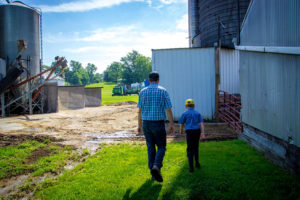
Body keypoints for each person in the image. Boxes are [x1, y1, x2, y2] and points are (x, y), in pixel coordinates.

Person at [137, 71, 175, 182]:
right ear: (158, 80)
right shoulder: (163, 91)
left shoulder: (142, 92)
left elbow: (139, 111)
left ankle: (153, 174)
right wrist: (172, 124)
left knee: (150, 148)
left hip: (146, 124)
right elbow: (168, 109)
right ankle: (156, 167)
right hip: (158, 123)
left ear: (149, 80)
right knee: (162, 147)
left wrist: (139, 125)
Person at [179, 98, 205, 173]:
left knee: (190, 148)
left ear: (186, 106)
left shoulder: (184, 113)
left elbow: (181, 124)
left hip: (189, 131)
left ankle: (191, 167)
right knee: (196, 147)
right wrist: (202, 133)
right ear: (194, 105)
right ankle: (197, 163)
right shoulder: (197, 113)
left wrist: (181, 131)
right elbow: (201, 124)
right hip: (197, 131)